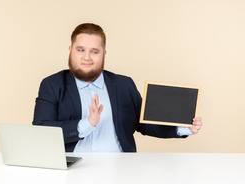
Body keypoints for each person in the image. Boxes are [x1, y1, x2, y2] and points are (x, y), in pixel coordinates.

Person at [32, 23, 202, 152]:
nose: (87, 58)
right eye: (80, 50)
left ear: (104, 54)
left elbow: (145, 124)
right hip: (72, 170)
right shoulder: (52, 85)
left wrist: (183, 127)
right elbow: (41, 131)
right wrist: (86, 124)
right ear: (70, 51)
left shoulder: (124, 85)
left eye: (94, 51)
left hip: (120, 170)